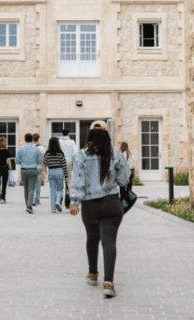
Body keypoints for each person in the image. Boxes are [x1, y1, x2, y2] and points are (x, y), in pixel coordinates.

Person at [69, 121, 131, 299]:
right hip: (112, 203)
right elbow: (124, 179)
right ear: (107, 134)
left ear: (89, 135)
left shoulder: (81, 155)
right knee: (109, 242)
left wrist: (74, 201)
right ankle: (108, 283)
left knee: (92, 238)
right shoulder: (116, 154)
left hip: (90, 205)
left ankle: (92, 274)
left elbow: (77, 180)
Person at [15, 133, 42, 213]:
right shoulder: (37, 149)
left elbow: (16, 161)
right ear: (32, 139)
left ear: (24, 139)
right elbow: (39, 161)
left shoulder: (20, 149)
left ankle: (28, 204)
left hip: (24, 169)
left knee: (26, 189)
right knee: (31, 189)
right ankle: (29, 206)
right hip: (33, 169)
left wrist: (23, 162)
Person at [43, 136, 68, 212]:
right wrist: (66, 175)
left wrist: (45, 171)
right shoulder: (60, 153)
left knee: (52, 190)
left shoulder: (47, 153)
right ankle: (58, 202)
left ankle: (53, 208)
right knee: (60, 189)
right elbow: (64, 164)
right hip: (59, 171)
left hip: (51, 171)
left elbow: (44, 163)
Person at [0, 136, 14, 203]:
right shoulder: (7, 151)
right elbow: (9, 161)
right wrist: (10, 169)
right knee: (4, 183)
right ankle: (3, 198)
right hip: (5, 167)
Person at [58, 128, 77, 192]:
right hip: (68, 162)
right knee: (68, 179)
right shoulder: (72, 142)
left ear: (62, 134)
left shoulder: (58, 141)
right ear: (68, 134)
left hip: (59, 162)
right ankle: (67, 193)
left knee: (60, 179)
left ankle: (60, 194)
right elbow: (75, 153)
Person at [32, 133, 46, 207]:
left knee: (32, 184)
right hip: (39, 167)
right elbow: (42, 160)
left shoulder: (30, 147)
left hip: (31, 167)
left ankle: (33, 199)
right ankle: (37, 199)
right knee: (38, 184)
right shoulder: (41, 148)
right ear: (38, 138)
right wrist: (44, 170)